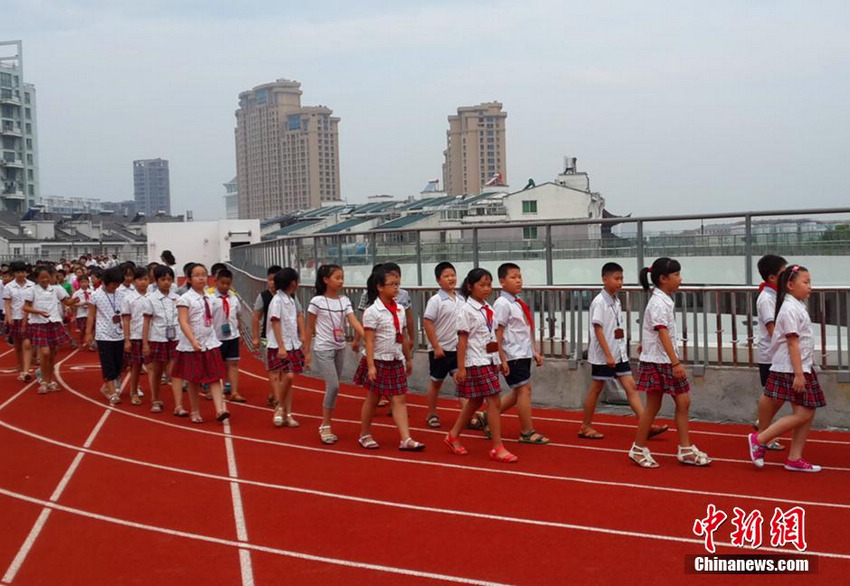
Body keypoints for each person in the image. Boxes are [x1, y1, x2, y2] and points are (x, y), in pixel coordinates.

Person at [629, 257, 711, 468]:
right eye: (676, 275)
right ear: (663, 279)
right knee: (659, 405)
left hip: (661, 358)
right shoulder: (658, 302)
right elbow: (662, 331)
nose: (680, 279)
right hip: (660, 362)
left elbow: (656, 330)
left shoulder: (663, 299)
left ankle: (684, 448)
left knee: (679, 402)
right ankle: (639, 448)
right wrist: (675, 363)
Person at [748, 265, 824, 472]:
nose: (809, 286)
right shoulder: (789, 308)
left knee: (806, 411)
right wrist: (799, 374)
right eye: (805, 282)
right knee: (804, 413)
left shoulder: (796, 305)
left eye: (810, 282)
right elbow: (792, 343)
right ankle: (760, 439)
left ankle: (794, 457)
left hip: (800, 366)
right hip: (790, 368)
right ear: (790, 285)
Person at [580, 262, 668, 440]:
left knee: (631, 387)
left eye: (621, 279)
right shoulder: (599, 302)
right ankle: (585, 426)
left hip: (619, 353)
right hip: (604, 355)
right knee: (596, 388)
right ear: (605, 279)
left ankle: (646, 425)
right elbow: (598, 330)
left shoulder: (616, 300)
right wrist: (608, 354)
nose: (620, 282)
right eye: (616, 279)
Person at [444, 268, 518, 463]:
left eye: (489, 285)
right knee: (494, 401)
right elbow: (462, 341)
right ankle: (497, 446)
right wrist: (461, 368)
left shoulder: (489, 309)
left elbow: (493, 336)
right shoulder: (466, 311)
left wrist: (500, 358)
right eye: (482, 285)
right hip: (475, 361)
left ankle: (453, 435)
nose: (486, 289)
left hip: (489, 359)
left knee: (475, 402)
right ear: (470, 287)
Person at [354, 266, 425, 451]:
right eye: (392, 284)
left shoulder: (400, 309)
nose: (396, 288)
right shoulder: (372, 311)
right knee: (373, 399)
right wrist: (371, 366)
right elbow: (369, 341)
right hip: (378, 359)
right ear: (380, 287)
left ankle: (406, 438)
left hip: (395, 358)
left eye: (398, 284)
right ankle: (365, 434)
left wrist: (408, 359)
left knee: (399, 399)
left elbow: (403, 335)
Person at [479, 262, 549, 444]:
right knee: (524, 390)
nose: (518, 281)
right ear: (502, 281)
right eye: (513, 277)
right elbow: (498, 333)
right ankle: (527, 432)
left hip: (523, 353)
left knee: (519, 391)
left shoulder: (517, 302)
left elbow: (525, 329)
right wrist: (501, 358)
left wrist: (534, 351)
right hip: (512, 355)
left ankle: (488, 416)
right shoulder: (502, 304)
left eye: (519, 277)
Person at [304, 264, 364, 445]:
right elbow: (309, 327)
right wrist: (306, 352)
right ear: (325, 280)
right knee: (334, 386)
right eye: (337, 278)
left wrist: (366, 336)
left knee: (334, 387)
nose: (341, 281)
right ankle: (325, 425)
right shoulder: (317, 301)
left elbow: (354, 321)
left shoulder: (344, 300)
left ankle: (327, 422)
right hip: (323, 348)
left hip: (340, 347)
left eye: (342, 277)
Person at [172, 263, 229, 424]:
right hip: (192, 345)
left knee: (215, 377)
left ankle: (219, 410)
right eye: (197, 275)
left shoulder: (210, 297)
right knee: (193, 379)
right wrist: (193, 340)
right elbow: (183, 321)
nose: (201, 278)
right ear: (189, 279)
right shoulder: (185, 299)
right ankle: (195, 411)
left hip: (210, 342)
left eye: (203, 274)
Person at [753, 254, 788, 452]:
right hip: (771, 355)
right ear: (772, 277)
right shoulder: (766, 298)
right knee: (771, 395)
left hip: (778, 353)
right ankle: (763, 434)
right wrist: (787, 347)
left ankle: (763, 426)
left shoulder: (777, 295)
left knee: (780, 395)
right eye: (784, 273)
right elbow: (772, 328)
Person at [23, 266, 77, 394]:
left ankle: (49, 380)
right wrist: (38, 312)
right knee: (45, 352)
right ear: (37, 278)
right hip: (39, 323)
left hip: (54, 322)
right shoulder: (31, 290)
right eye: (42, 278)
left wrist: (73, 301)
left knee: (52, 353)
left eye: (47, 277)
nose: (45, 280)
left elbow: (67, 302)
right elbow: (25, 307)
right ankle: (44, 380)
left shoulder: (56, 289)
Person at [422, 262, 462, 428]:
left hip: (457, 349)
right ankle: (431, 413)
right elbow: (428, 322)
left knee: (462, 381)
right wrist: (436, 346)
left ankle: (467, 416)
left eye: (453, 275)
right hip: (440, 350)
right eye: (446, 276)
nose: (451, 278)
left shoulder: (461, 299)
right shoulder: (436, 300)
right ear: (438, 280)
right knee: (436, 382)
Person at [266, 268, 304, 428]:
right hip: (279, 345)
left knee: (288, 381)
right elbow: (275, 322)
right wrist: (281, 346)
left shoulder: (291, 300)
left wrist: (300, 338)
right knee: (288, 377)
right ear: (292, 283)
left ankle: (287, 414)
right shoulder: (277, 300)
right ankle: (279, 407)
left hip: (292, 343)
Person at [144, 265, 184, 416]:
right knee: (157, 371)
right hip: (157, 338)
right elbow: (147, 322)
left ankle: (178, 405)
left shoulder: (177, 298)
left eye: (169, 279)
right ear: (156, 280)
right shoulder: (150, 299)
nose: (166, 282)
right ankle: (155, 399)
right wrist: (145, 343)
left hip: (175, 338)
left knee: (175, 371)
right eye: (163, 279)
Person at [85, 267, 126, 405]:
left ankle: (107, 387)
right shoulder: (95, 295)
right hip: (103, 335)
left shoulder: (121, 294)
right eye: (113, 284)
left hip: (119, 333)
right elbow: (91, 315)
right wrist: (88, 333)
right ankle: (113, 393)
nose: (116, 287)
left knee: (119, 364)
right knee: (108, 364)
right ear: (105, 282)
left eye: (118, 284)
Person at [209, 268, 245, 402]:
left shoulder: (234, 298)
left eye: (228, 284)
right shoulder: (210, 298)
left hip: (232, 336)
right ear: (216, 282)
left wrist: (240, 333)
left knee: (233, 363)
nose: (225, 286)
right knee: (216, 365)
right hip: (216, 337)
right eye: (222, 283)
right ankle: (215, 390)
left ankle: (234, 391)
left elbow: (238, 316)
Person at [121, 268, 153, 406]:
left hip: (152, 335)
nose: (143, 282)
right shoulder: (128, 298)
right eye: (140, 279)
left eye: (145, 279)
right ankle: (133, 391)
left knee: (152, 366)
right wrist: (127, 339)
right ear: (134, 281)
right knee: (136, 366)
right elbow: (126, 320)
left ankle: (155, 395)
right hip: (136, 335)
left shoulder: (153, 296)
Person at [252, 265, 283, 406]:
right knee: (272, 367)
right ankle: (278, 399)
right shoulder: (263, 296)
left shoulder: (289, 296)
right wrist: (255, 337)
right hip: (267, 337)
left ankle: (273, 393)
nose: (273, 283)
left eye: (275, 280)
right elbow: (256, 317)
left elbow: (299, 314)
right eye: (270, 280)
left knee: (282, 368)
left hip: (284, 338)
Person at [3, 261, 35, 381]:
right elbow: (7, 303)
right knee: (18, 346)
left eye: (22, 272)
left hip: (29, 318)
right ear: (14, 273)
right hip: (15, 318)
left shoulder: (32, 285)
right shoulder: (9, 287)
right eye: (18, 272)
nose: (21, 274)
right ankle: (22, 369)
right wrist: (9, 316)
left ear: (26, 272)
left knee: (27, 344)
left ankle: (26, 371)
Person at [71, 274, 94, 350]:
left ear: (88, 282)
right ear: (79, 283)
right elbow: (73, 303)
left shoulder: (92, 292)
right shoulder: (77, 293)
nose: (84, 284)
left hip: (90, 313)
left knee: (90, 329)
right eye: (82, 282)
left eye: (85, 282)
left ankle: (90, 344)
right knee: (82, 329)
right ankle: (81, 341)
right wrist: (81, 304)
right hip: (81, 314)